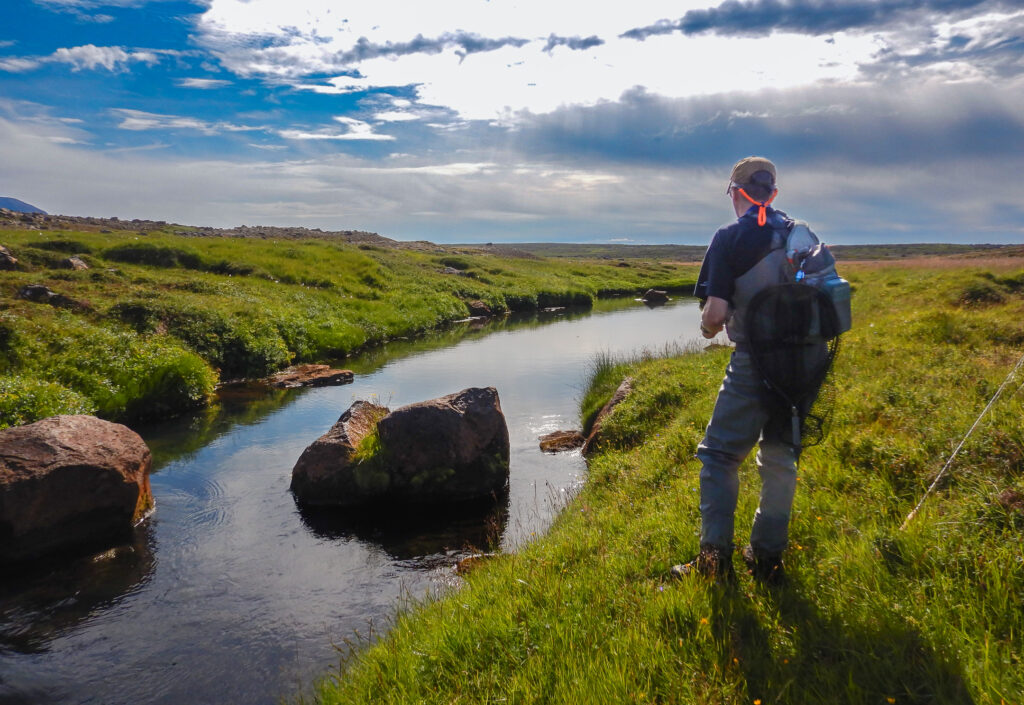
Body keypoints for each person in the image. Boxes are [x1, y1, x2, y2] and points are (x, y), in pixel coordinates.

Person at [672, 156, 811, 584]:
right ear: (772, 192)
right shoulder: (800, 233)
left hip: (757, 360)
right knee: (780, 456)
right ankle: (768, 559)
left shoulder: (729, 236)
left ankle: (715, 563)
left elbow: (715, 315)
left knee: (718, 457)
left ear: (736, 191)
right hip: (807, 362)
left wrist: (706, 327)